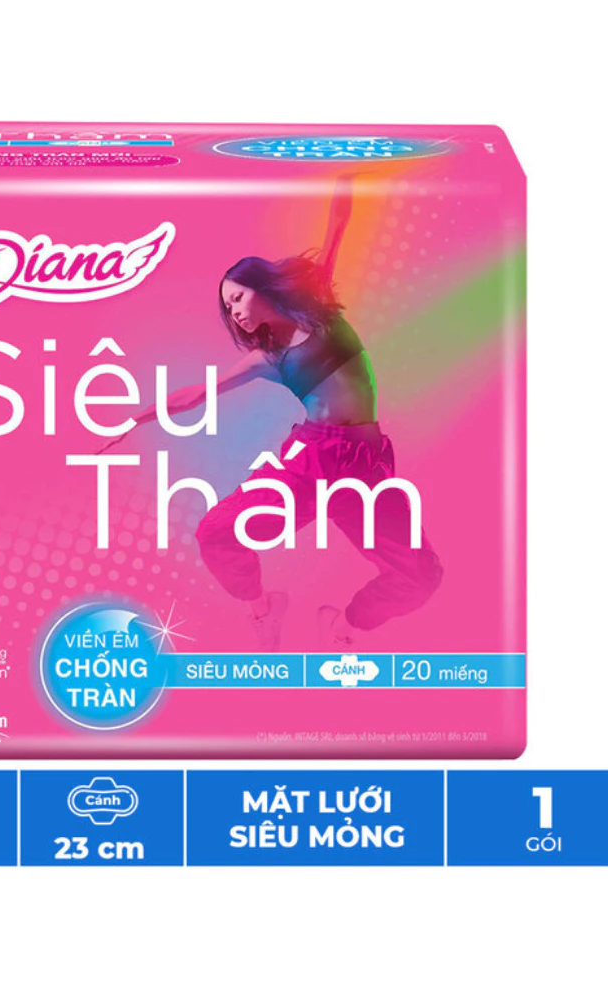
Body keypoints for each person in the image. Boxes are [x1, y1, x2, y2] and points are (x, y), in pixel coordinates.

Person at [102, 178, 442, 651]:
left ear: (262, 287)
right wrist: (138, 419)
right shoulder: (268, 359)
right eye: (227, 308)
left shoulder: (320, 311)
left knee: (421, 575)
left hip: (366, 467)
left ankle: (343, 627)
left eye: (237, 298)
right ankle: (262, 608)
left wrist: (346, 178)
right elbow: (198, 393)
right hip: (312, 461)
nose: (234, 313)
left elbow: (336, 230)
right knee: (216, 533)